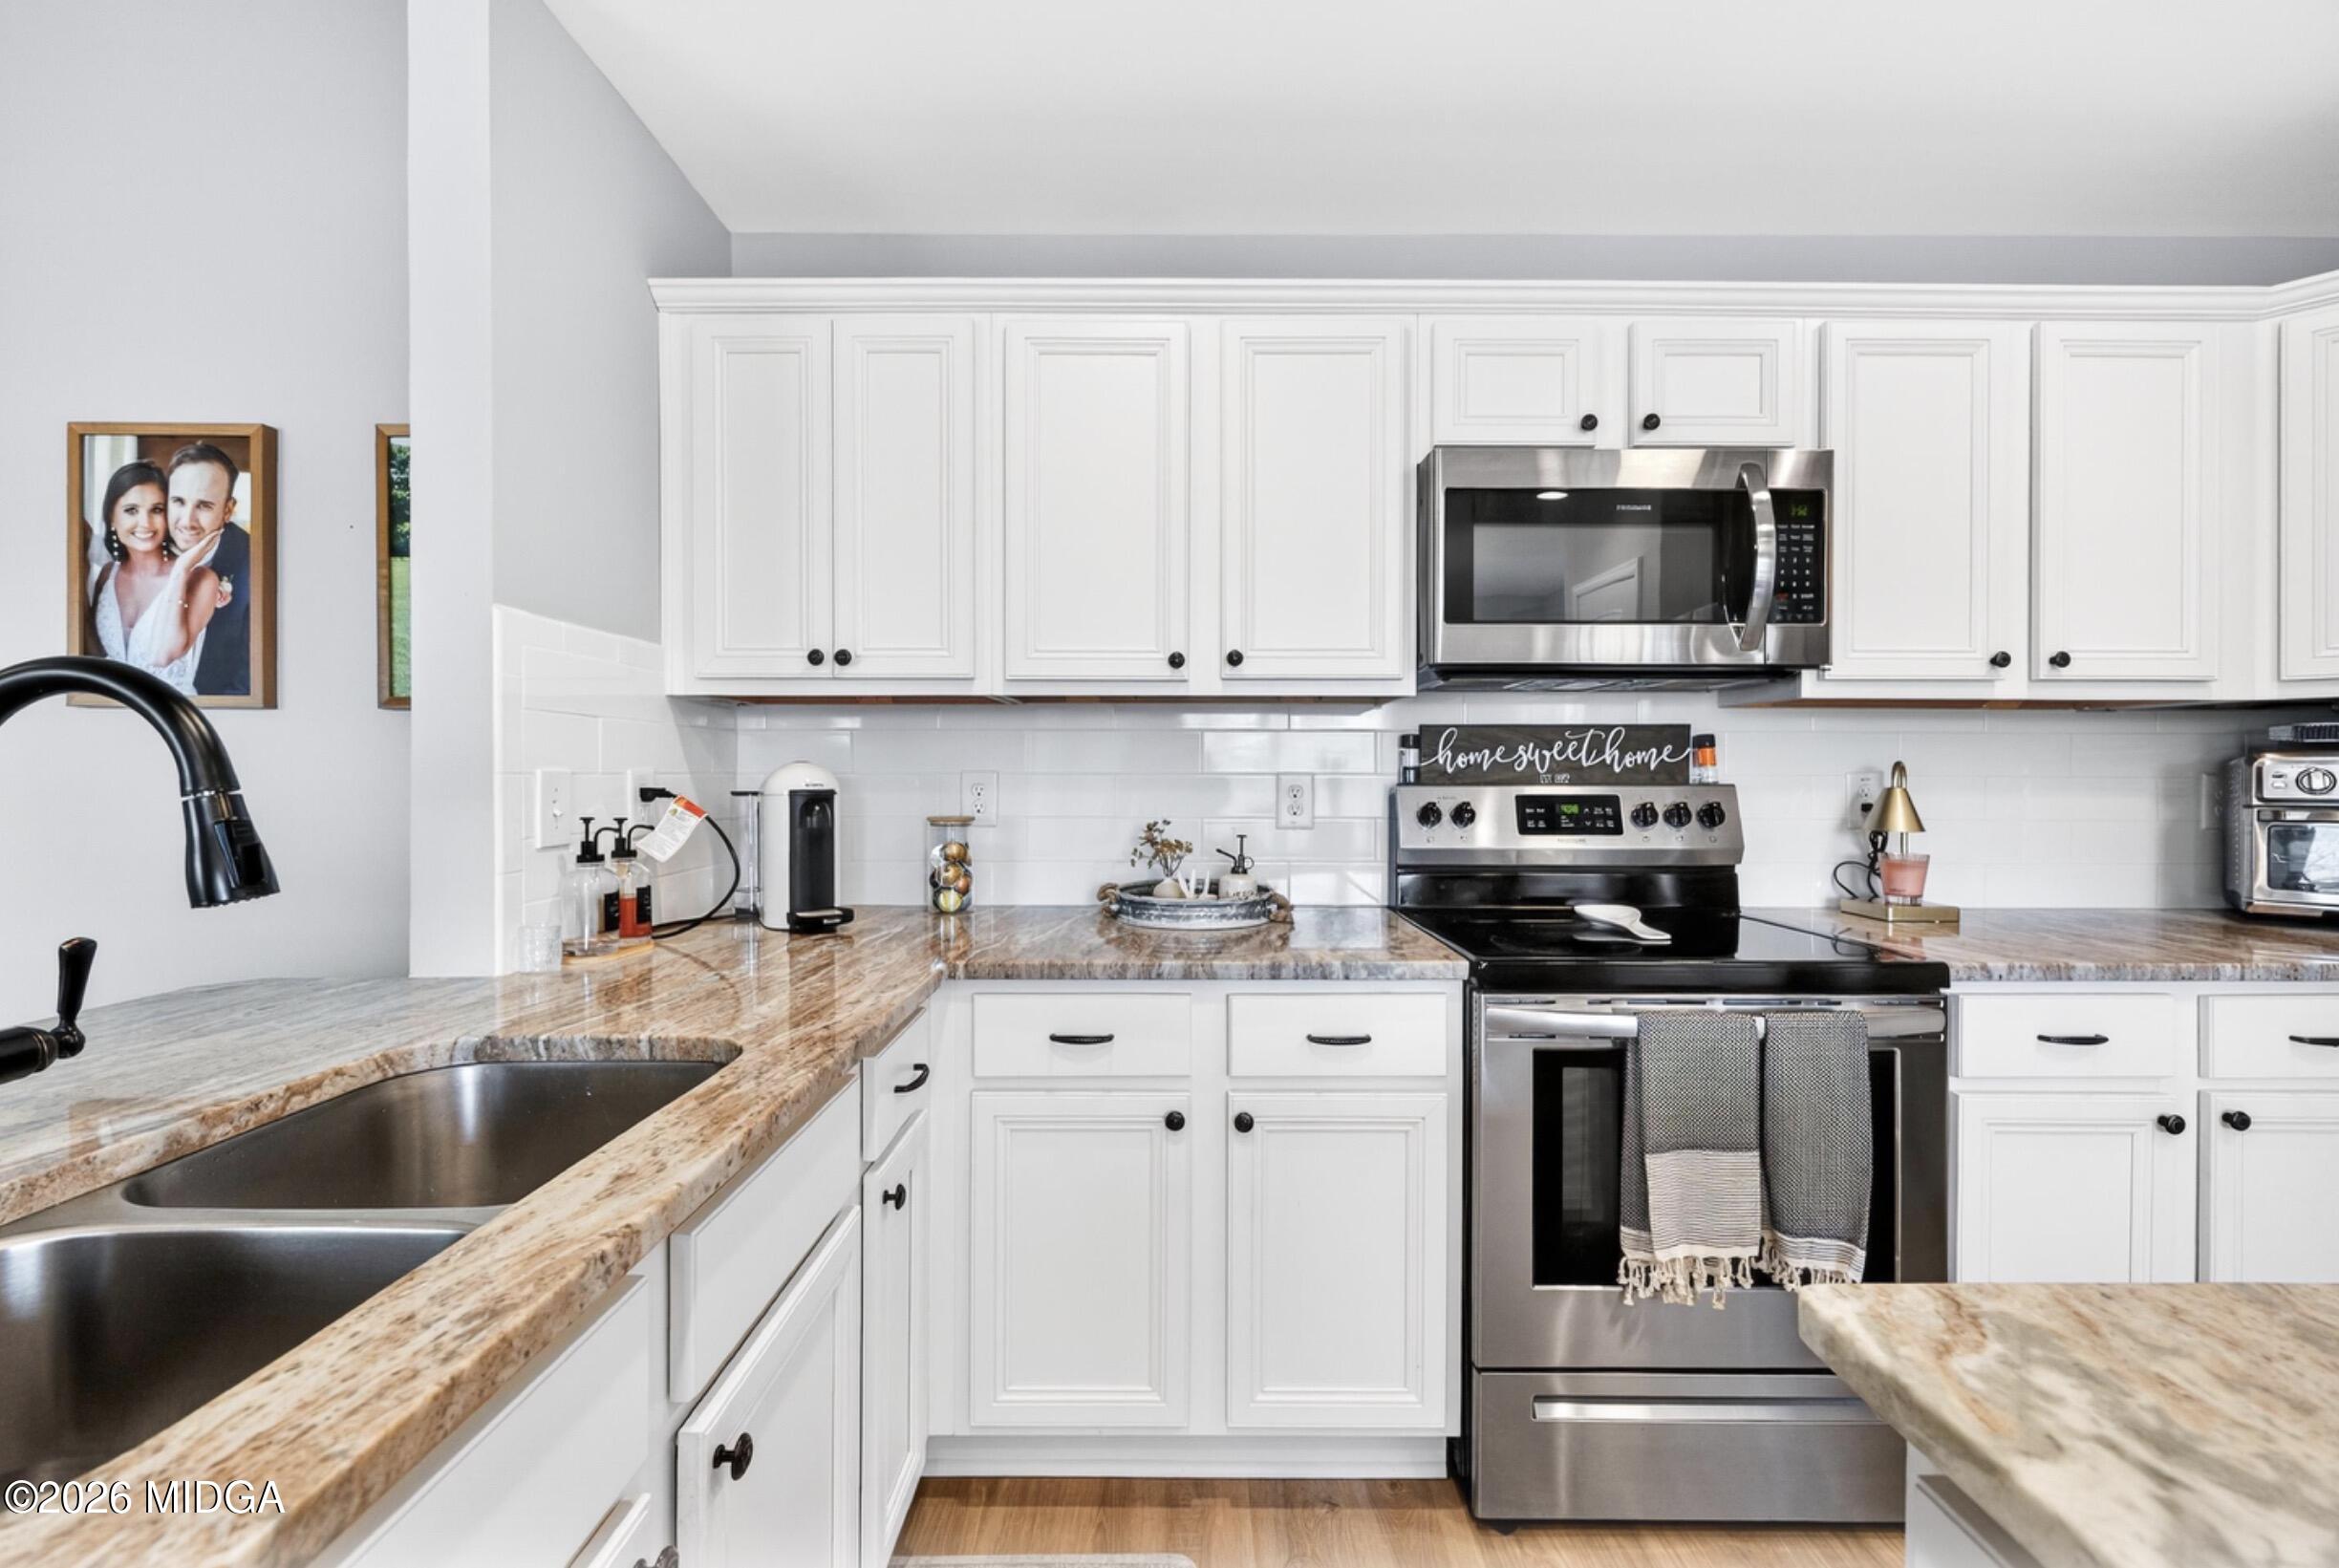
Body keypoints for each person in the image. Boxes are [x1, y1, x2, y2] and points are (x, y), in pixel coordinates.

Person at [87, 460, 229, 696]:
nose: (145, 523)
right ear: (112, 516)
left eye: (157, 510)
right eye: (131, 510)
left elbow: (162, 656)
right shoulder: (107, 575)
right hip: (111, 712)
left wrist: (181, 570)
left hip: (171, 714)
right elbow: (96, 656)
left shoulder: (202, 580)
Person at [164, 441, 251, 698]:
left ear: (228, 510)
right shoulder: (145, 545)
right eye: (179, 501)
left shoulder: (253, 565)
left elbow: (248, 684)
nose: (187, 521)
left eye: (204, 505)